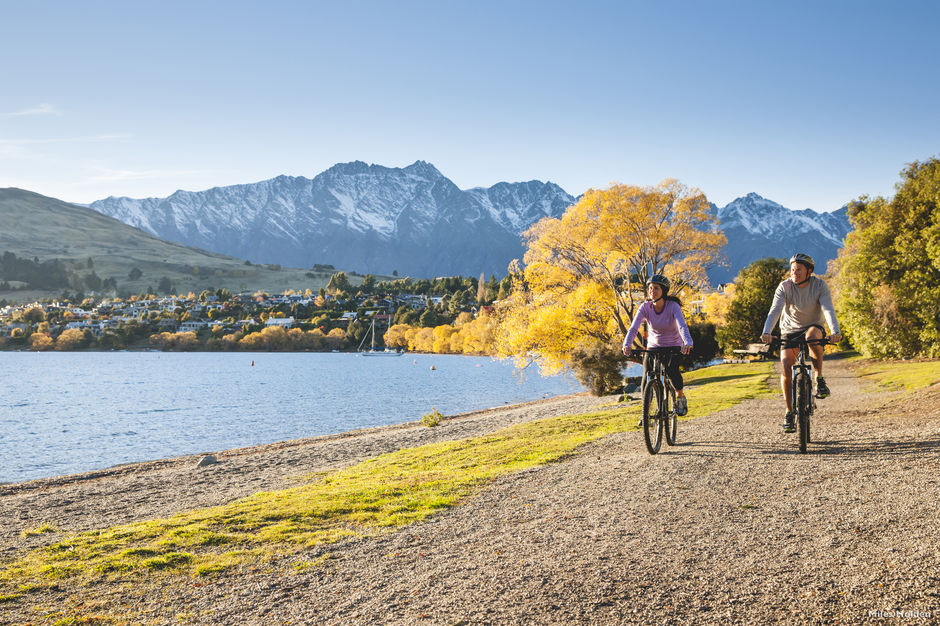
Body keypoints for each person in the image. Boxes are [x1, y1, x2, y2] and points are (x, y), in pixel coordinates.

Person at [760, 253, 842, 433]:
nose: (794, 273)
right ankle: (789, 412)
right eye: (792, 270)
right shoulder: (785, 286)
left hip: (812, 326)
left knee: (813, 336)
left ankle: (819, 379)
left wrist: (835, 331)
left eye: (799, 270)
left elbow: (828, 309)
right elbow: (775, 310)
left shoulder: (820, 285)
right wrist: (766, 332)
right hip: (789, 329)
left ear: (809, 272)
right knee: (786, 365)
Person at [622, 274, 693, 416]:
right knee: (647, 374)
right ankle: (646, 411)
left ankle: (679, 396)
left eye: (656, 288)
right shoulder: (645, 307)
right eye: (650, 288)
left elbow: (682, 326)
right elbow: (634, 328)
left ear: (664, 291)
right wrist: (627, 343)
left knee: (672, 370)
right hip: (654, 346)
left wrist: (687, 342)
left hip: (673, 345)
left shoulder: (673, 306)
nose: (652, 291)